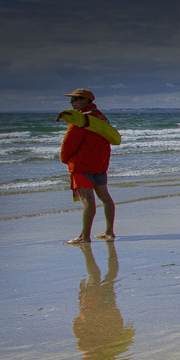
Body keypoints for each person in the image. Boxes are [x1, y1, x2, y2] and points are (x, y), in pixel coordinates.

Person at [58, 88, 117, 244]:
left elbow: (70, 143)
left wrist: (64, 159)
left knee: (88, 200)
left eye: (75, 99)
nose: (71, 103)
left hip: (82, 166)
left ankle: (84, 237)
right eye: (71, 100)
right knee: (105, 197)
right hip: (100, 165)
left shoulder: (79, 120)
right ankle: (109, 232)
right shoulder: (101, 118)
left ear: (85, 101)